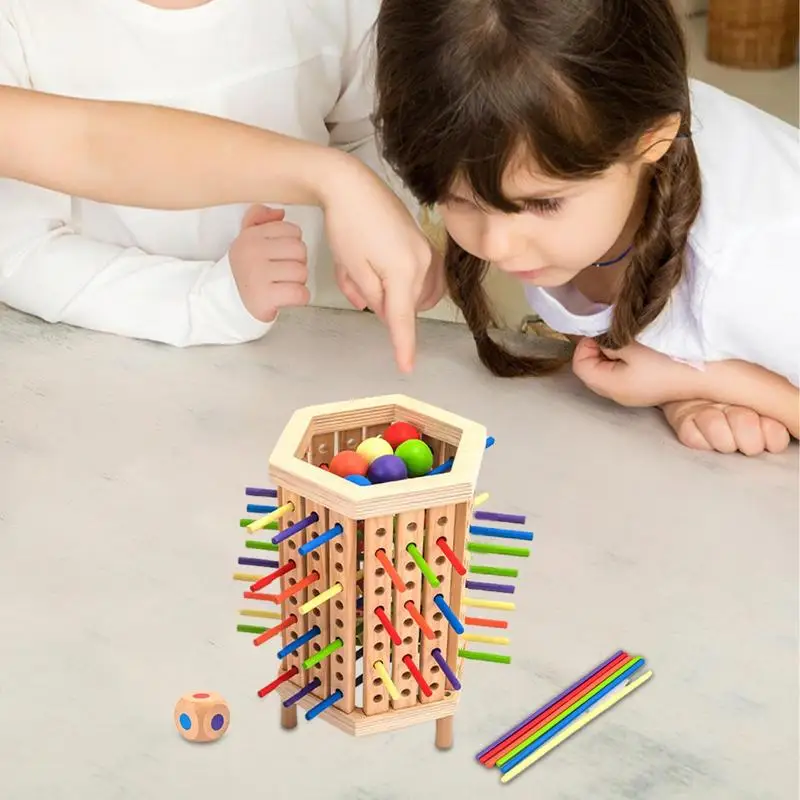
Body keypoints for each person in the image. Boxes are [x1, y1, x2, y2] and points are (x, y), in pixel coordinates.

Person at [371, 0, 799, 455]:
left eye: (544, 203)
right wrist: (681, 393)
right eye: (455, 200)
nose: (496, 246)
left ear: (652, 141)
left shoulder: (754, 267)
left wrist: (706, 380)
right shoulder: (596, 124)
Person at [0, 0, 439, 372]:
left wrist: (391, 237)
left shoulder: (339, 11)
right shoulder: (26, 19)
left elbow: (368, 131)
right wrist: (210, 301)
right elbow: (19, 248)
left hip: (306, 361)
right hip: (100, 368)